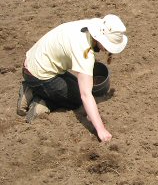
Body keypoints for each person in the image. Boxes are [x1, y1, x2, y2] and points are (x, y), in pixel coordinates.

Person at [17, 14, 128, 142]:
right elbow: (86, 95)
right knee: (77, 100)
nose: (106, 50)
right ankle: (39, 100)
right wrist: (101, 129)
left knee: (75, 86)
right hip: (38, 75)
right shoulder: (85, 52)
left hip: (32, 61)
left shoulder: (90, 25)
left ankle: (32, 89)